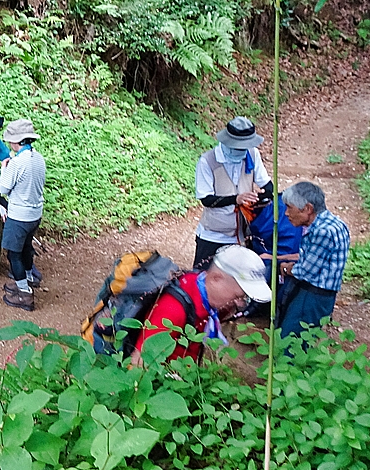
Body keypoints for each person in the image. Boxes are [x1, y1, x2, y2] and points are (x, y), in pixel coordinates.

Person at [131, 245, 271, 365]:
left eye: (245, 298)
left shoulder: (206, 292)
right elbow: (139, 362)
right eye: (238, 296)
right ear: (216, 278)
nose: (240, 304)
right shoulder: (172, 310)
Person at [193, 116, 274, 270]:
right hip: (213, 235)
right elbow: (206, 199)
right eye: (238, 148)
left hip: (242, 236)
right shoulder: (207, 161)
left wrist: (258, 199)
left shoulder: (252, 154)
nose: (242, 151)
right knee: (204, 277)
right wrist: (236, 199)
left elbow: (267, 186)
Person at [276, 181, 350, 344]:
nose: (286, 213)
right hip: (321, 296)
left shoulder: (322, 232)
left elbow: (305, 272)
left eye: (290, 208)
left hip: (312, 296)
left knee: (290, 340)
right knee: (305, 338)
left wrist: (287, 269)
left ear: (308, 209)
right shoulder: (336, 224)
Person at [0, 119, 46, 309]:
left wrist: (5, 168)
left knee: (13, 254)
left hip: (19, 216)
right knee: (26, 248)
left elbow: (3, 188)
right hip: (35, 214)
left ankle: (24, 293)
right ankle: (28, 278)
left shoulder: (17, 163)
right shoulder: (38, 158)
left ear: (16, 141)